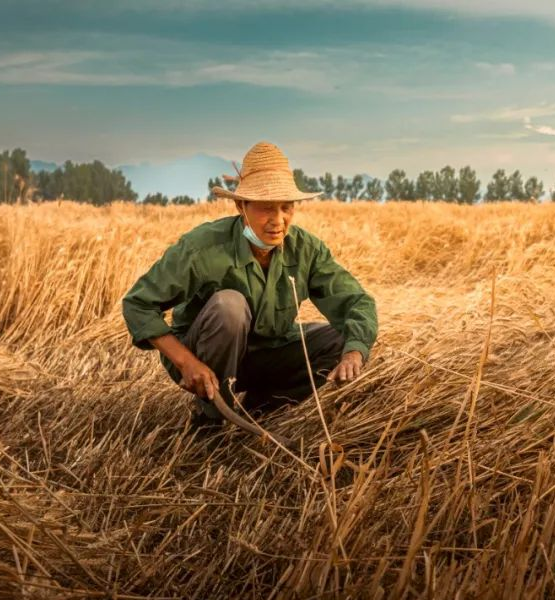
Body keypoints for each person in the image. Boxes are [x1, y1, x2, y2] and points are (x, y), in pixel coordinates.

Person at [121, 141, 378, 429]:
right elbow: (138, 304)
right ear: (240, 206)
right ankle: (211, 418)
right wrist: (185, 363)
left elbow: (357, 302)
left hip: (266, 353)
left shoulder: (306, 250)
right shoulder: (203, 248)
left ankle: (257, 414)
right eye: (266, 208)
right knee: (229, 306)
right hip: (201, 358)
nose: (278, 220)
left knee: (342, 339)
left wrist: (354, 352)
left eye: (286, 207)